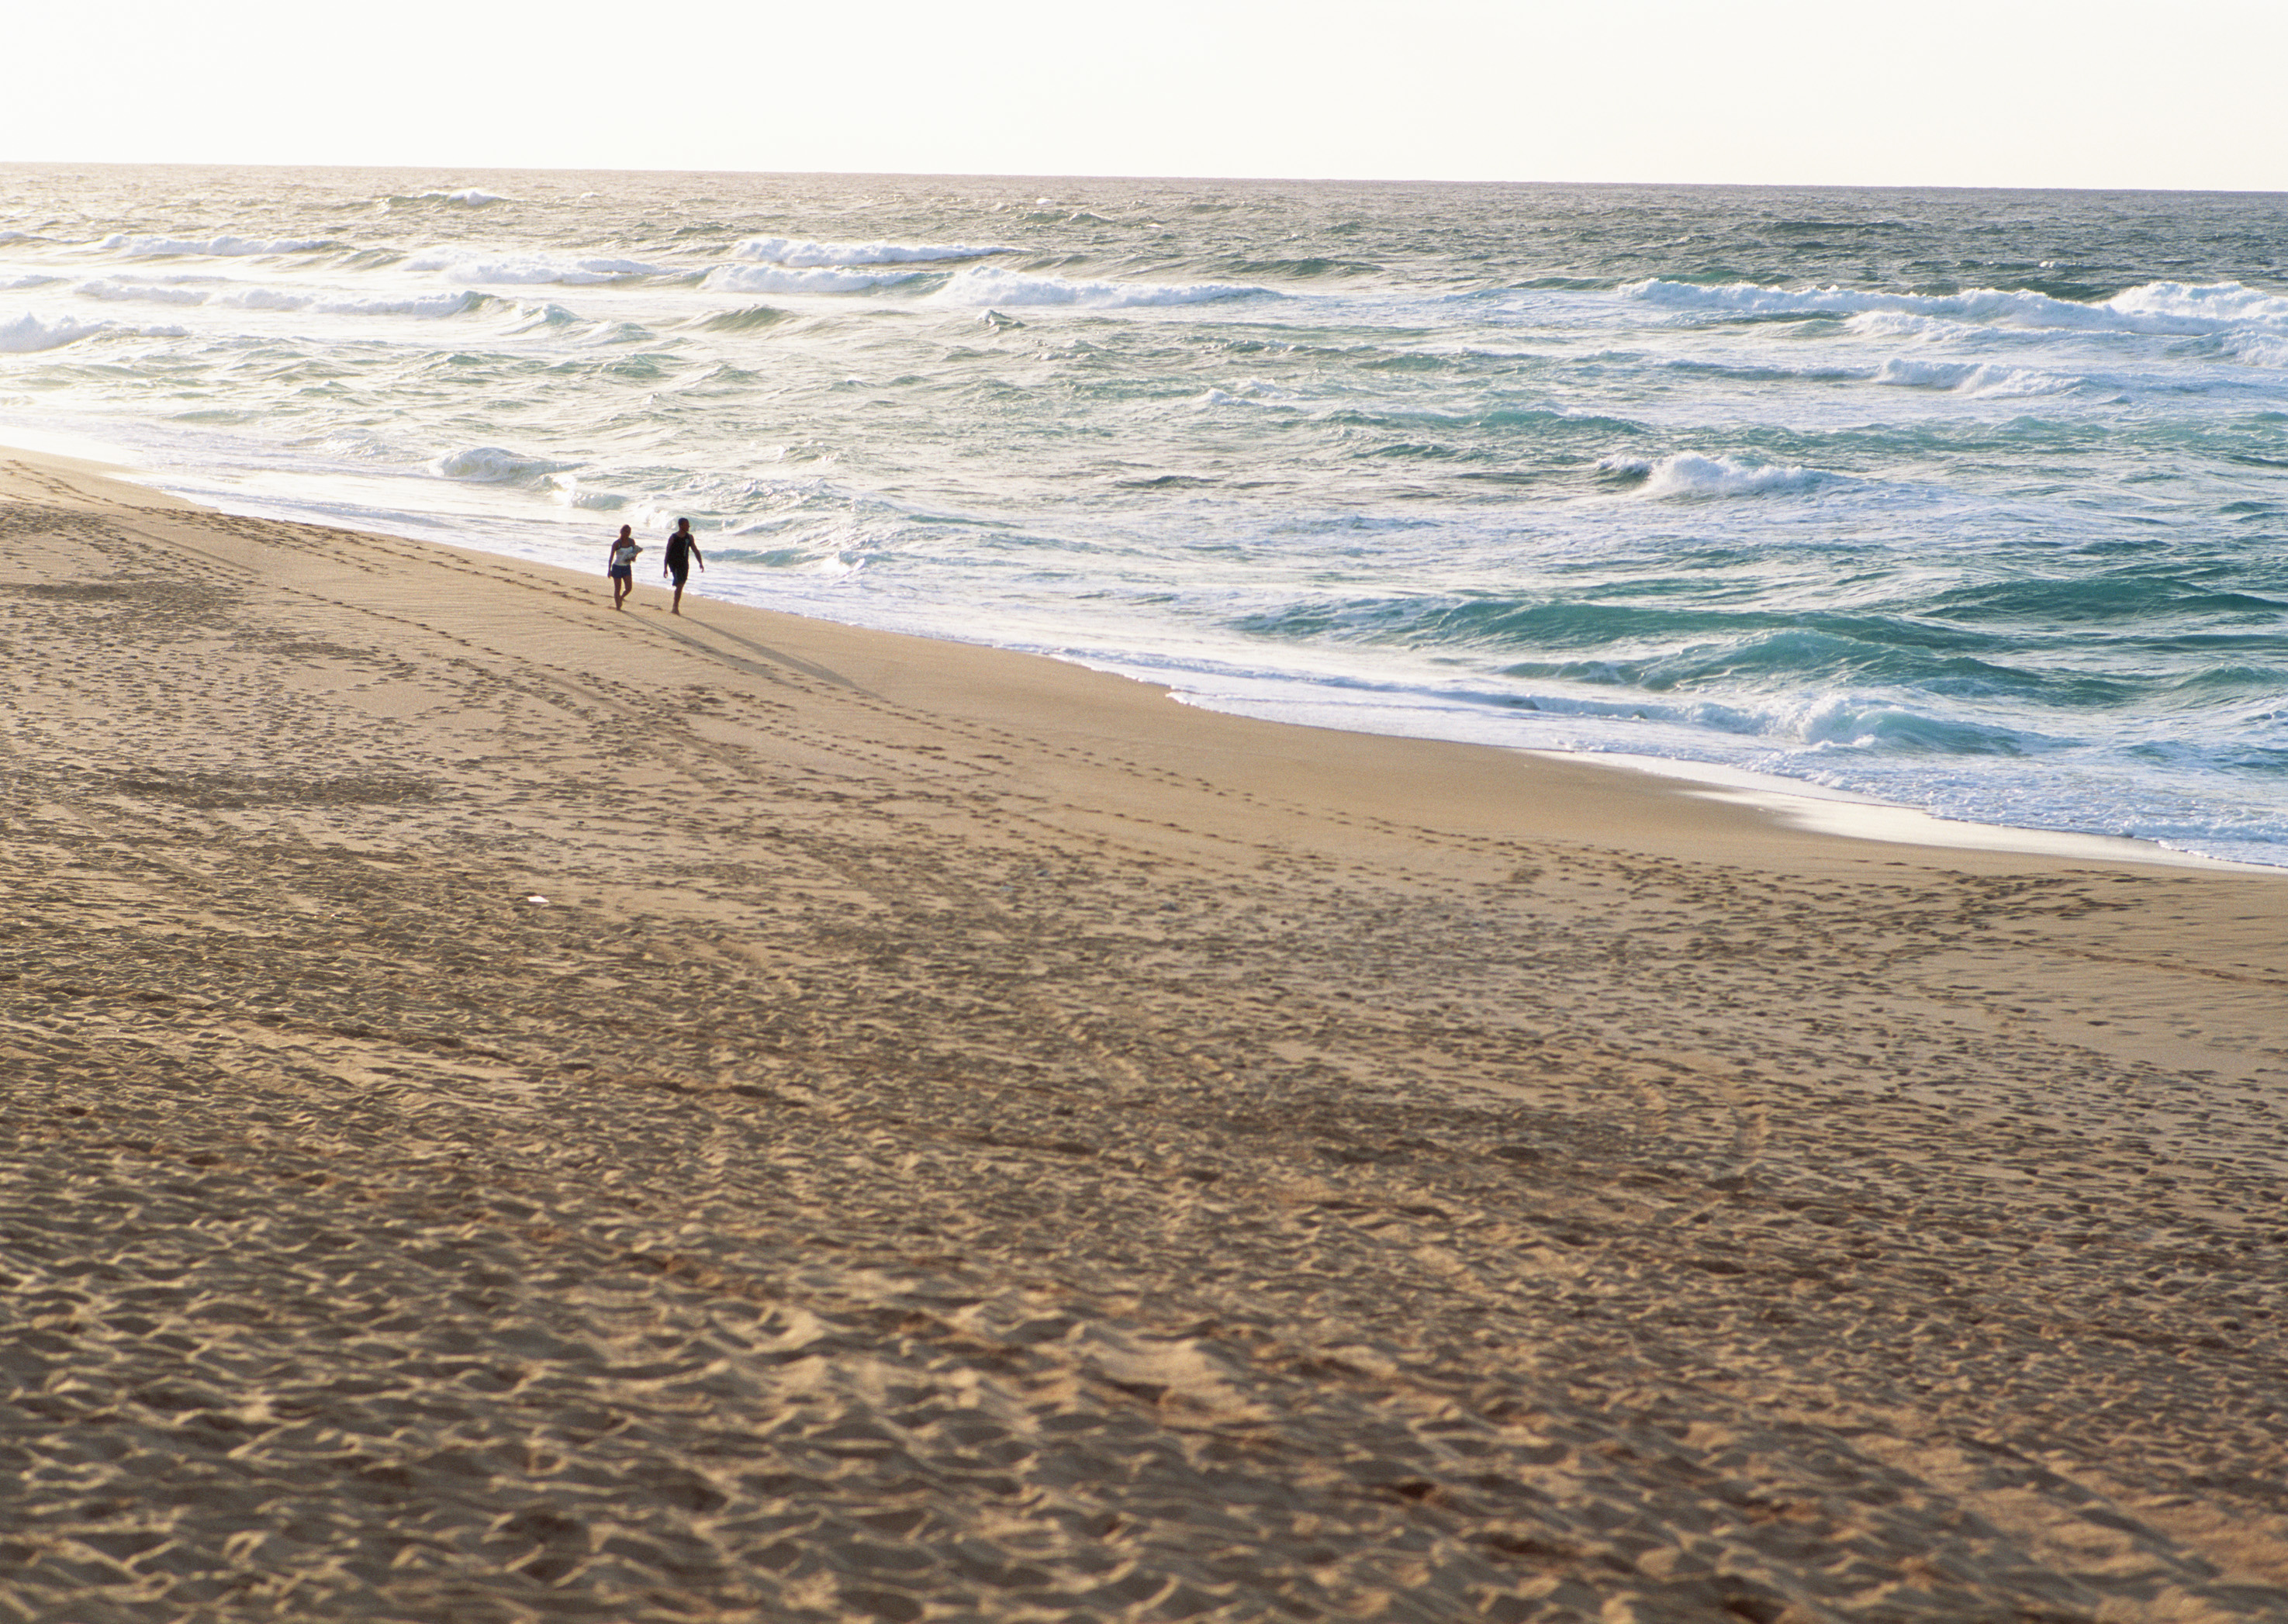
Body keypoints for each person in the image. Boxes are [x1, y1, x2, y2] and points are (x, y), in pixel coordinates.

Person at [662, 518, 704, 616]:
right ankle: (675, 606)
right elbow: (667, 553)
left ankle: (675, 604)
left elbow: (695, 550)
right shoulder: (673, 537)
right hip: (674, 563)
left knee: (681, 584)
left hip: (684, 564)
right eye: (686, 525)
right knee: (680, 584)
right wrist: (665, 568)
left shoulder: (689, 537)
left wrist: (700, 562)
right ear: (681, 526)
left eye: (688, 525)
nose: (688, 526)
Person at [606, 525, 641, 610]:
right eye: (625, 531)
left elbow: (634, 553)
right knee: (618, 588)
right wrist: (609, 570)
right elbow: (611, 557)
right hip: (617, 567)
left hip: (627, 567)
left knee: (629, 588)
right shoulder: (617, 543)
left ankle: (621, 598)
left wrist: (633, 557)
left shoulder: (632, 542)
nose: (627, 533)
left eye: (629, 532)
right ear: (621, 532)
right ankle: (618, 607)